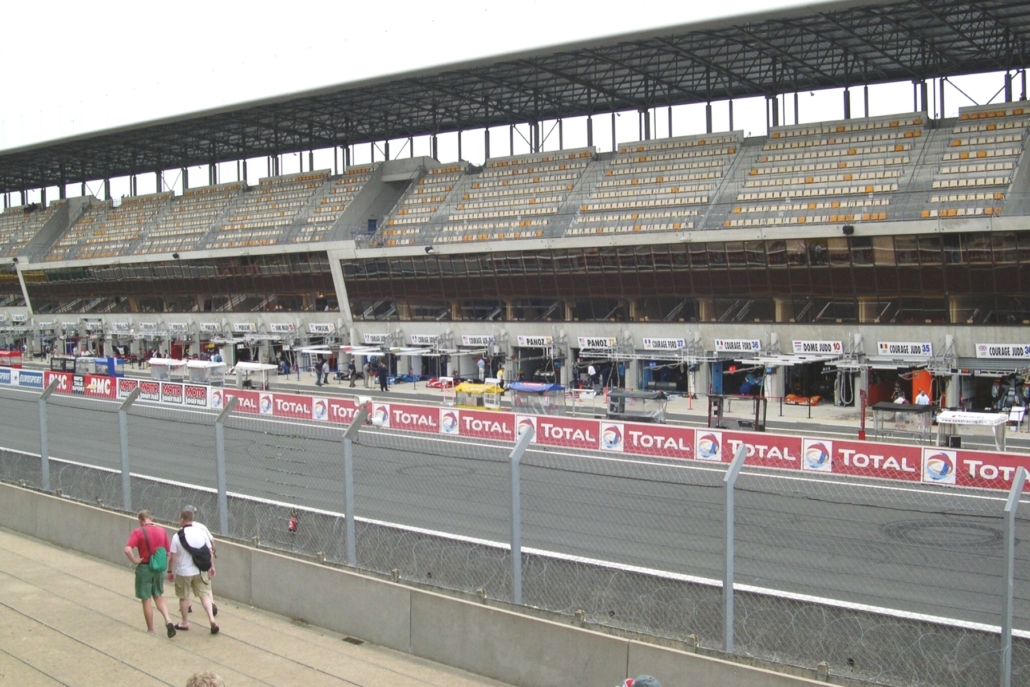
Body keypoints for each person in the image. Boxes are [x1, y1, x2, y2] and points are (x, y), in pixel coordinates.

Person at [124, 509, 177, 638]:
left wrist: (135, 560)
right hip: (157, 568)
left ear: (141, 520)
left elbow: (127, 549)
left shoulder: (138, 532)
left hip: (144, 568)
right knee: (158, 595)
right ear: (151, 518)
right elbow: (168, 552)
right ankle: (168, 619)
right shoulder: (161, 531)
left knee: (146, 599)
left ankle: (151, 629)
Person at [169, 508, 219, 634]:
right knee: (204, 595)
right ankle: (211, 619)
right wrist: (211, 567)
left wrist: (170, 571)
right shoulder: (201, 532)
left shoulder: (177, 536)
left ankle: (184, 622)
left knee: (184, 597)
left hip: (183, 572)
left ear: (182, 519)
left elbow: (172, 557)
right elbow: (210, 551)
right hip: (200, 570)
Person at [183, 505, 218, 618]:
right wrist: (212, 553)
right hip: (203, 557)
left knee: (187, 582)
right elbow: (212, 540)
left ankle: (188, 605)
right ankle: (211, 603)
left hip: (190, 558)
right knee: (205, 581)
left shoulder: (183, 529)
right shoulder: (201, 526)